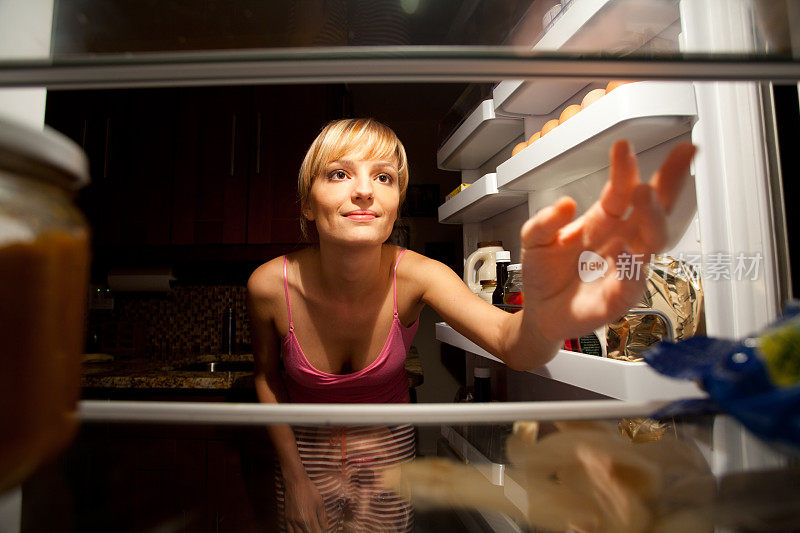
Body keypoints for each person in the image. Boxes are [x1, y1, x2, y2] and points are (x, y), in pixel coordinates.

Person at [246, 118, 696, 532]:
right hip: (303, 453)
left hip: (387, 449)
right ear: (307, 203)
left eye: (383, 177)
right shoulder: (269, 286)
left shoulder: (420, 275)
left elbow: (509, 342)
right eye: (339, 174)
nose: (365, 191)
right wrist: (294, 475)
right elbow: (267, 378)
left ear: (396, 200)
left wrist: (545, 310)